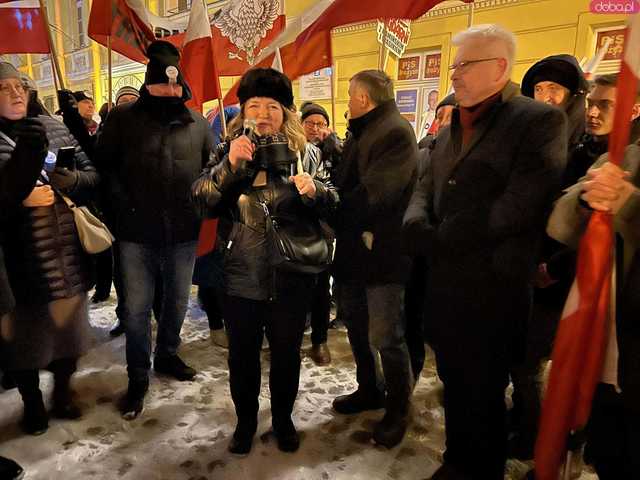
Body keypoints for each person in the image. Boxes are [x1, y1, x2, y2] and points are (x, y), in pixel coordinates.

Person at [402, 25, 567, 479]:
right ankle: (458, 461)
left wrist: (443, 236)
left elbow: (520, 204)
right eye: (455, 66)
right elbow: (425, 183)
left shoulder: (537, 121)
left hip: (493, 291)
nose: (454, 75)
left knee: (485, 395)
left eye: (464, 65)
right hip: (444, 287)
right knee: (454, 386)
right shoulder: (454, 117)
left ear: (499, 67)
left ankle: (483, 470)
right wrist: (414, 222)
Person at [192, 67, 338, 455]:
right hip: (240, 273)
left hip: (292, 274)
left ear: (286, 111)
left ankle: (285, 419)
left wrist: (316, 190)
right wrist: (229, 167)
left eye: (272, 105)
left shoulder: (306, 152)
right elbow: (201, 200)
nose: (263, 112)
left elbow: (335, 200)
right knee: (242, 358)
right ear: (243, 109)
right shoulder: (228, 147)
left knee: (287, 354)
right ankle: (245, 422)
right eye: (254, 104)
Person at [95, 41, 213, 420]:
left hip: (183, 232)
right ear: (148, 86)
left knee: (177, 303)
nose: (170, 92)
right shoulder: (122, 119)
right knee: (135, 311)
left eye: (176, 87)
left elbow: (211, 171)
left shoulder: (197, 124)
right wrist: (121, 206)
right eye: (163, 86)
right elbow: (104, 168)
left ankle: (167, 354)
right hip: (135, 234)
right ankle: (137, 377)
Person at [0, 61, 99, 435]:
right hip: (16, 262)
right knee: (22, 342)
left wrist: (71, 179)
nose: (15, 93)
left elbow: (93, 176)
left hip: (63, 254)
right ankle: (32, 404)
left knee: (67, 336)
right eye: (4, 87)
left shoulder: (54, 129)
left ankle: (62, 393)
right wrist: (19, 198)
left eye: (20, 86)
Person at [507, 54, 589, 460]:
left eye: (553, 90)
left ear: (573, 97)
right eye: (538, 90)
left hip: (557, 273)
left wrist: (554, 266)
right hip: (525, 263)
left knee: (530, 362)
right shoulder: (531, 135)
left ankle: (534, 436)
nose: (544, 97)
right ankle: (523, 418)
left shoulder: (583, 148)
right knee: (518, 355)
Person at [331, 69, 417, 449]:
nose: (348, 101)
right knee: (355, 324)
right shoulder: (363, 129)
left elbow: (375, 195)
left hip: (381, 253)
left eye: (350, 95)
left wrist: (328, 203)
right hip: (353, 252)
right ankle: (370, 388)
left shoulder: (394, 132)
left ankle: (399, 409)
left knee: (386, 335)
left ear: (364, 98)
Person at [546, 142, 640, 480]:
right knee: (609, 455)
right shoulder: (625, 156)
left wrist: (629, 203)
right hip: (609, 346)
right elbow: (560, 224)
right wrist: (587, 199)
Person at [300, 101, 338, 366]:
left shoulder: (333, 151)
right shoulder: (292, 150)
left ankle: (319, 340)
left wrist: (334, 148)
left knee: (321, 289)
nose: (315, 128)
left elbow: (338, 191)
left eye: (321, 123)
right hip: (291, 233)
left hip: (321, 231)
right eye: (310, 123)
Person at [106, 85, 142, 338]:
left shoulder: (151, 131)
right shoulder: (108, 132)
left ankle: (155, 317)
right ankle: (125, 316)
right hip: (120, 217)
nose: (127, 104)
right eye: (123, 100)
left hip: (149, 217)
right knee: (123, 273)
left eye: (132, 100)